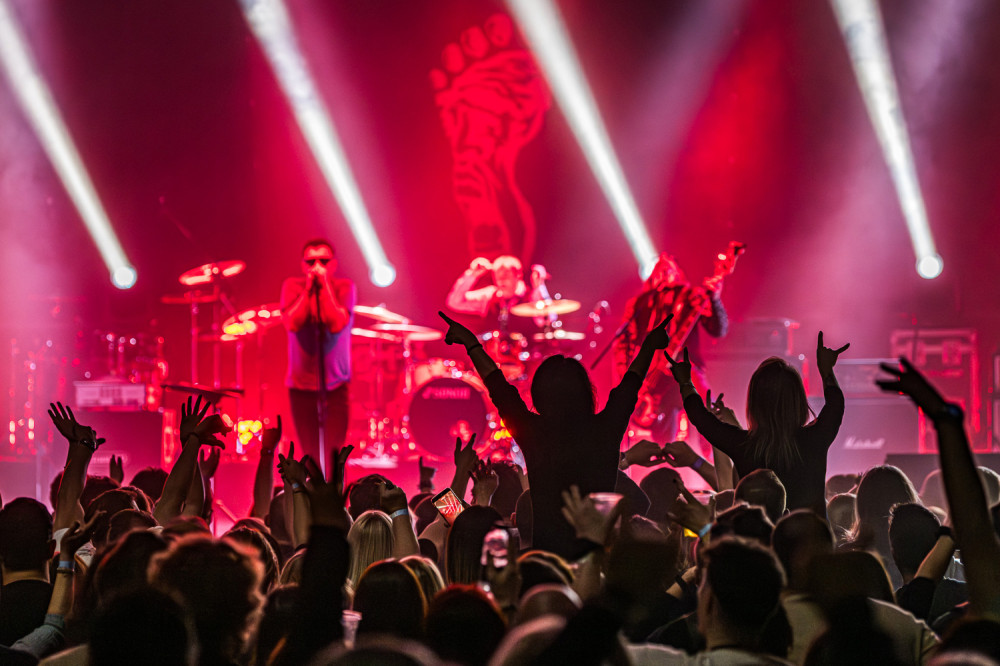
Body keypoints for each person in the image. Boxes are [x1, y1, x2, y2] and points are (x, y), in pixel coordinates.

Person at [438, 308, 670, 559]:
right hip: (597, 562)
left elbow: (498, 387)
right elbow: (630, 385)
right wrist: (649, 347)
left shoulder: (484, 547)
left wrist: (471, 344)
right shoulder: (605, 428)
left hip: (548, 565)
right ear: (586, 392)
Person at [666, 332, 848, 515]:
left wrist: (685, 381)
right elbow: (836, 403)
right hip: (812, 533)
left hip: (758, 533)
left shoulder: (743, 445)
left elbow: (699, 416)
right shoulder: (816, 438)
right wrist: (826, 369)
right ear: (799, 401)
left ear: (754, 403)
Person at [614, 253, 728, 442]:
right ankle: (664, 458)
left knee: (710, 410)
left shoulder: (691, 296)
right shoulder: (640, 303)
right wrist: (627, 378)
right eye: (659, 266)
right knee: (663, 428)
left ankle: (716, 451)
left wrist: (714, 300)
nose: (663, 266)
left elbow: (718, 329)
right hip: (653, 376)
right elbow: (624, 343)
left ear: (677, 271)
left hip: (685, 366)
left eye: (669, 265)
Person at [280, 239, 356, 467]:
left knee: (335, 456)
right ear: (302, 265)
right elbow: (292, 322)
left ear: (333, 264)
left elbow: (337, 323)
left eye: (323, 261)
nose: (317, 266)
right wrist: (309, 289)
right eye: (311, 261)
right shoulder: (292, 286)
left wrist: (324, 286)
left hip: (336, 384)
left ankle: (334, 490)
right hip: (300, 385)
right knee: (309, 457)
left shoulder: (345, 287)